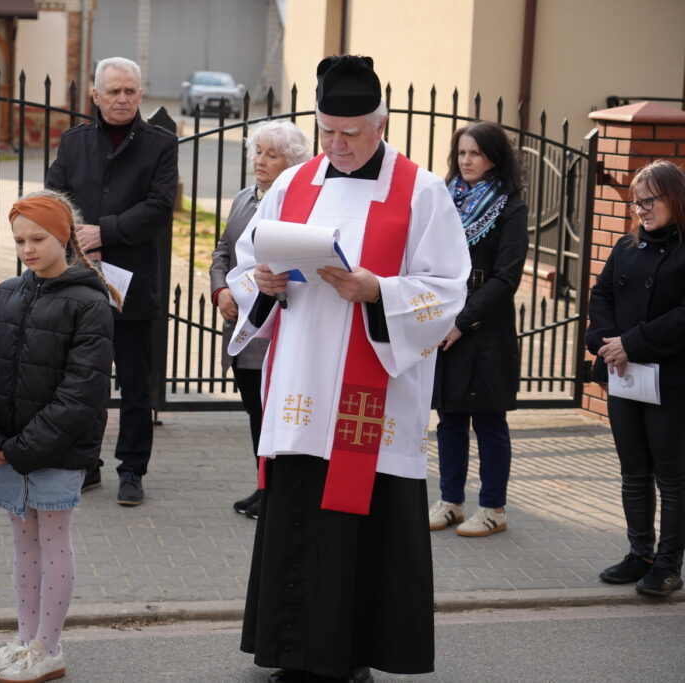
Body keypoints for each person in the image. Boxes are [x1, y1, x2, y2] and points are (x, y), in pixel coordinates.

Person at [227, 56, 469, 682]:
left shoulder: (421, 191)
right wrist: (263, 282)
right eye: (327, 131)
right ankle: (289, 652)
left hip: (374, 395)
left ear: (380, 125)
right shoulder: (294, 183)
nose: (336, 145)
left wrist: (378, 292)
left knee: (358, 524)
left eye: (350, 134)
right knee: (298, 514)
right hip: (302, 386)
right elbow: (248, 263)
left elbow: (448, 290)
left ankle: (351, 656)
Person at [0, 191, 116, 683]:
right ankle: (25, 640)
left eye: (38, 239)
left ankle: (48, 648)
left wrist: (23, 449)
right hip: (6, 451)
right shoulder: (6, 293)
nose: (27, 249)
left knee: (53, 540)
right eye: (19, 240)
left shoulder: (90, 302)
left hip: (54, 452)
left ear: (63, 237)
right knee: (23, 544)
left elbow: (82, 392)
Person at [45, 56, 178, 506]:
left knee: (136, 384)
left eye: (130, 91)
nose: (122, 99)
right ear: (95, 96)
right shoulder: (74, 143)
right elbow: (54, 200)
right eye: (114, 91)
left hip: (133, 284)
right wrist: (80, 239)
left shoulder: (160, 144)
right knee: (83, 379)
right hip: (81, 279)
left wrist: (106, 231)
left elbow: (158, 207)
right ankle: (86, 463)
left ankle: (132, 469)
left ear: (140, 94)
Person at [586, 159, 685, 598]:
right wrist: (605, 342)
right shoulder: (627, 246)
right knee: (634, 472)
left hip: (671, 380)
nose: (641, 210)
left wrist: (633, 343)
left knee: (672, 477)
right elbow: (602, 293)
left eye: (649, 201)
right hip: (624, 375)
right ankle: (639, 554)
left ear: (675, 199)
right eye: (636, 203)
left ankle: (668, 565)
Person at [428, 121, 529, 537]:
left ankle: (493, 509)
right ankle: (450, 501)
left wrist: (463, 322)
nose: (466, 161)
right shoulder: (444, 200)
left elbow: (507, 278)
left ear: (494, 158)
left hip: (485, 327)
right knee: (449, 418)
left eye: (475, 153)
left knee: (488, 420)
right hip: (445, 318)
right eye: (462, 153)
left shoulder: (510, 207)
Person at [210, 120, 311, 520]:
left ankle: (276, 493)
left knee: (274, 413)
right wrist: (221, 290)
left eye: (272, 155)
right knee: (255, 410)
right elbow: (223, 251)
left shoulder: (299, 203)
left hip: (273, 324)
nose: (261, 160)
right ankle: (264, 485)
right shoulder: (243, 198)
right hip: (240, 324)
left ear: (292, 162)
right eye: (257, 151)